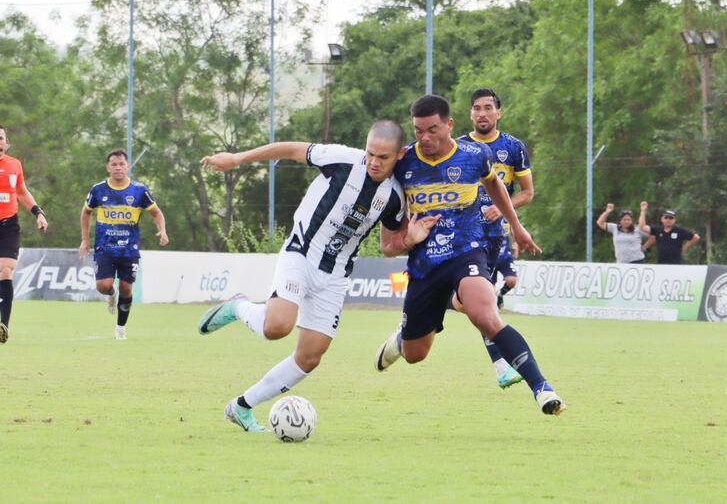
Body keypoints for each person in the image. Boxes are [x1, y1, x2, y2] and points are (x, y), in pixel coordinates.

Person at [197, 120, 438, 433]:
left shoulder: (394, 197)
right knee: (277, 327)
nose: (374, 162)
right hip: (301, 253)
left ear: (400, 155)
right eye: (371, 154)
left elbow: (387, 247)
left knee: (309, 357)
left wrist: (409, 240)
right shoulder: (342, 159)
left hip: (336, 275)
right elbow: (292, 149)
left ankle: (241, 407)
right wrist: (238, 158)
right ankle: (238, 307)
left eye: (383, 157)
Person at [375, 94, 566, 416]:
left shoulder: (475, 154)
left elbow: (495, 186)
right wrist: (408, 239)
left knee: (486, 315)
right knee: (414, 354)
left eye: (432, 130)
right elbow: (387, 244)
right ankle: (404, 337)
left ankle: (542, 388)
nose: (425, 138)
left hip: (468, 251)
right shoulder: (403, 162)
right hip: (424, 265)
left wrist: (516, 227)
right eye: (418, 131)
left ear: (449, 125)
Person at [455, 88, 534, 389]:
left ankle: (426, 310)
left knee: (472, 304)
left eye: (488, 108)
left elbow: (527, 192)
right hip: (460, 235)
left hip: (492, 237)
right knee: (476, 302)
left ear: (498, 113)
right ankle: (501, 366)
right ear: (470, 113)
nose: (482, 113)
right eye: (477, 108)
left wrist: (502, 208)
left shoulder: (513, 147)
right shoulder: (458, 147)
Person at [79, 148, 169, 339]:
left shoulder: (139, 190)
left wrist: (162, 230)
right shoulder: (98, 190)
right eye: (114, 164)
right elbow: (86, 212)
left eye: (121, 164)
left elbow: (156, 213)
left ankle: (120, 328)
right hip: (105, 247)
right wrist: (85, 240)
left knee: (127, 288)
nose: (118, 167)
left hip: (129, 249)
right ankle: (111, 294)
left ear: (127, 166)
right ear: (108, 167)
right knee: (103, 286)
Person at [0, 125, 49, 344]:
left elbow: (21, 192)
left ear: (6, 142)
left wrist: (38, 213)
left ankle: (3, 326)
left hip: (8, 225)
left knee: (6, 271)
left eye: (0, 138)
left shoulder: (14, 165)